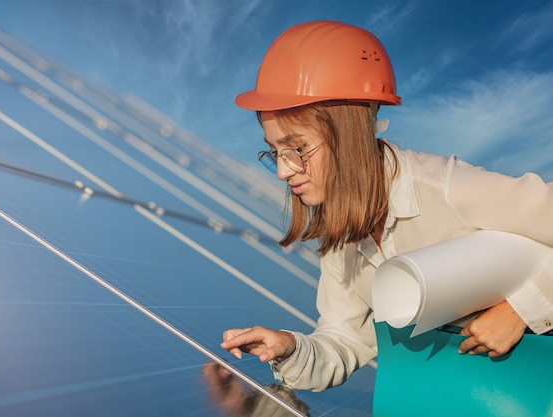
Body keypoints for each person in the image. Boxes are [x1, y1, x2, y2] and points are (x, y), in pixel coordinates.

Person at [220, 20, 553, 392]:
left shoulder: (444, 187)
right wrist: (289, 349)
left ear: (348, 133)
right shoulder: (342, 234)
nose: (283, 171)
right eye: (274, 151)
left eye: (297, 149)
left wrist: (522, 310)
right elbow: (345, 341)